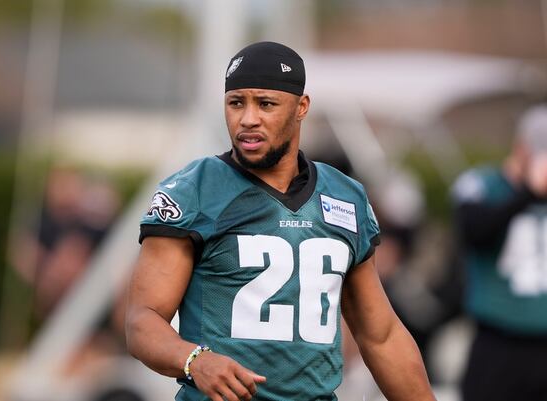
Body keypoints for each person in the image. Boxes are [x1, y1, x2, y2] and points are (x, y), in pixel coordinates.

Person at [126, 41, 435, 401]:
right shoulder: (195, 190)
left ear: (301, 107)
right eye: (236, 102)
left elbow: (380, 336)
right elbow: (142, 321)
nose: (247, 119)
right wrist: (195, 359)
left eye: (266, 104)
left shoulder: (344, 196)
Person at [451, 104, 547, 401]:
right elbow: (473, 232)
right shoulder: (484, 184)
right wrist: (527, 193)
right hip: (498, 340)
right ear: (522, 149)